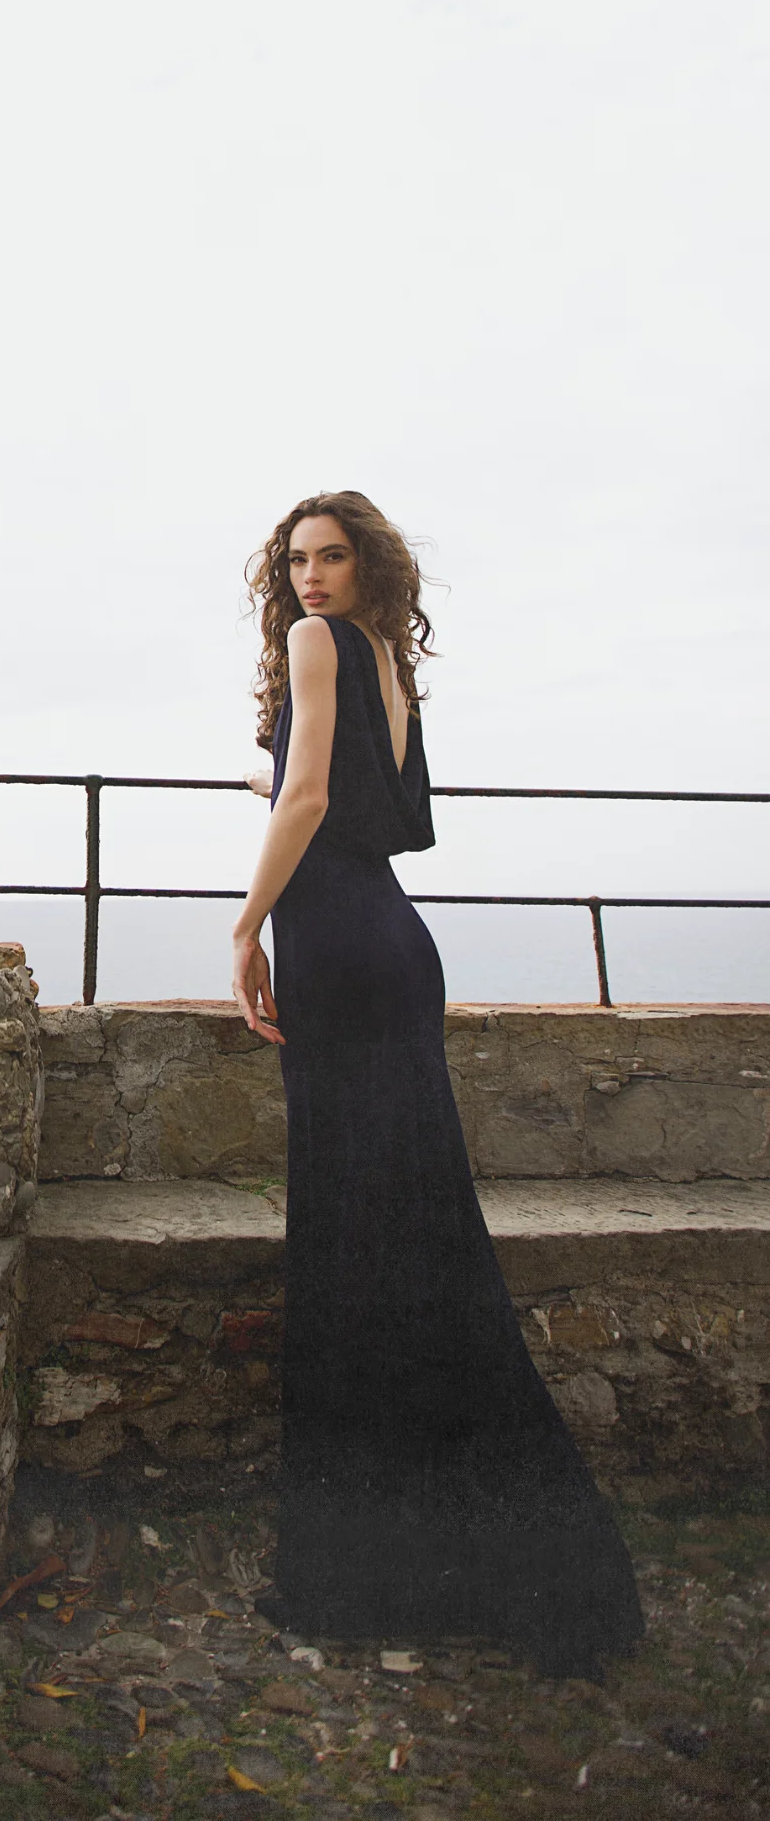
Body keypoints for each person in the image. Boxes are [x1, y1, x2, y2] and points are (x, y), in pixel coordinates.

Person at [229, 490, 643, 1678]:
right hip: (388, 941)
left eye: (331, 557)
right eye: (297, 561)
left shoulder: (318, 648)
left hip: (341, 948)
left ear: (368, 566)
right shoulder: (384, 665)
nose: (310, 579)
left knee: (360, 1250)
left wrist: (244, 924)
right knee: (414, 1245)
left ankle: (367, 1574)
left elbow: (307, 801)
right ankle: (488, 1562)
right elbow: (359, 808)